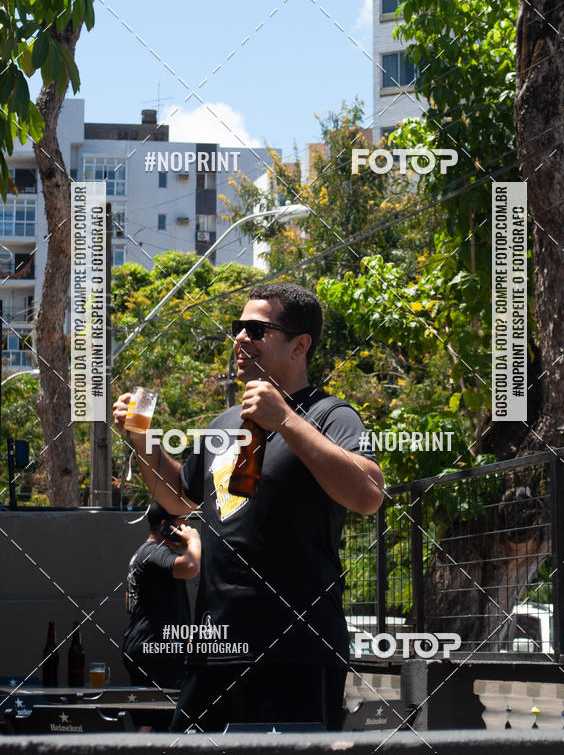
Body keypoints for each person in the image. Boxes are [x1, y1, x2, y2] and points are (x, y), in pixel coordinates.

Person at [114, 283, 384, 731]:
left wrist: (286, 420)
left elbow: (368, 496)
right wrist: (144, 443)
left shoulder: (331, 415)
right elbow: (178, 498)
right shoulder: (224, 423)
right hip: (215, 645)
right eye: (238, 328)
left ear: (300, 345)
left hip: (296, 649)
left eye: (256, 330)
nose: (239, 338)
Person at [122, 502, 201, 689]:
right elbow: (191, 567)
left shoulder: (143, 553)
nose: (187, 528)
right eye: (182, 523)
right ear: (166, 526)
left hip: (145, 647)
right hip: (156, 653)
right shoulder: (155, 551)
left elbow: (129, 603)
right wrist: (194, 541)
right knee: (165, 714)